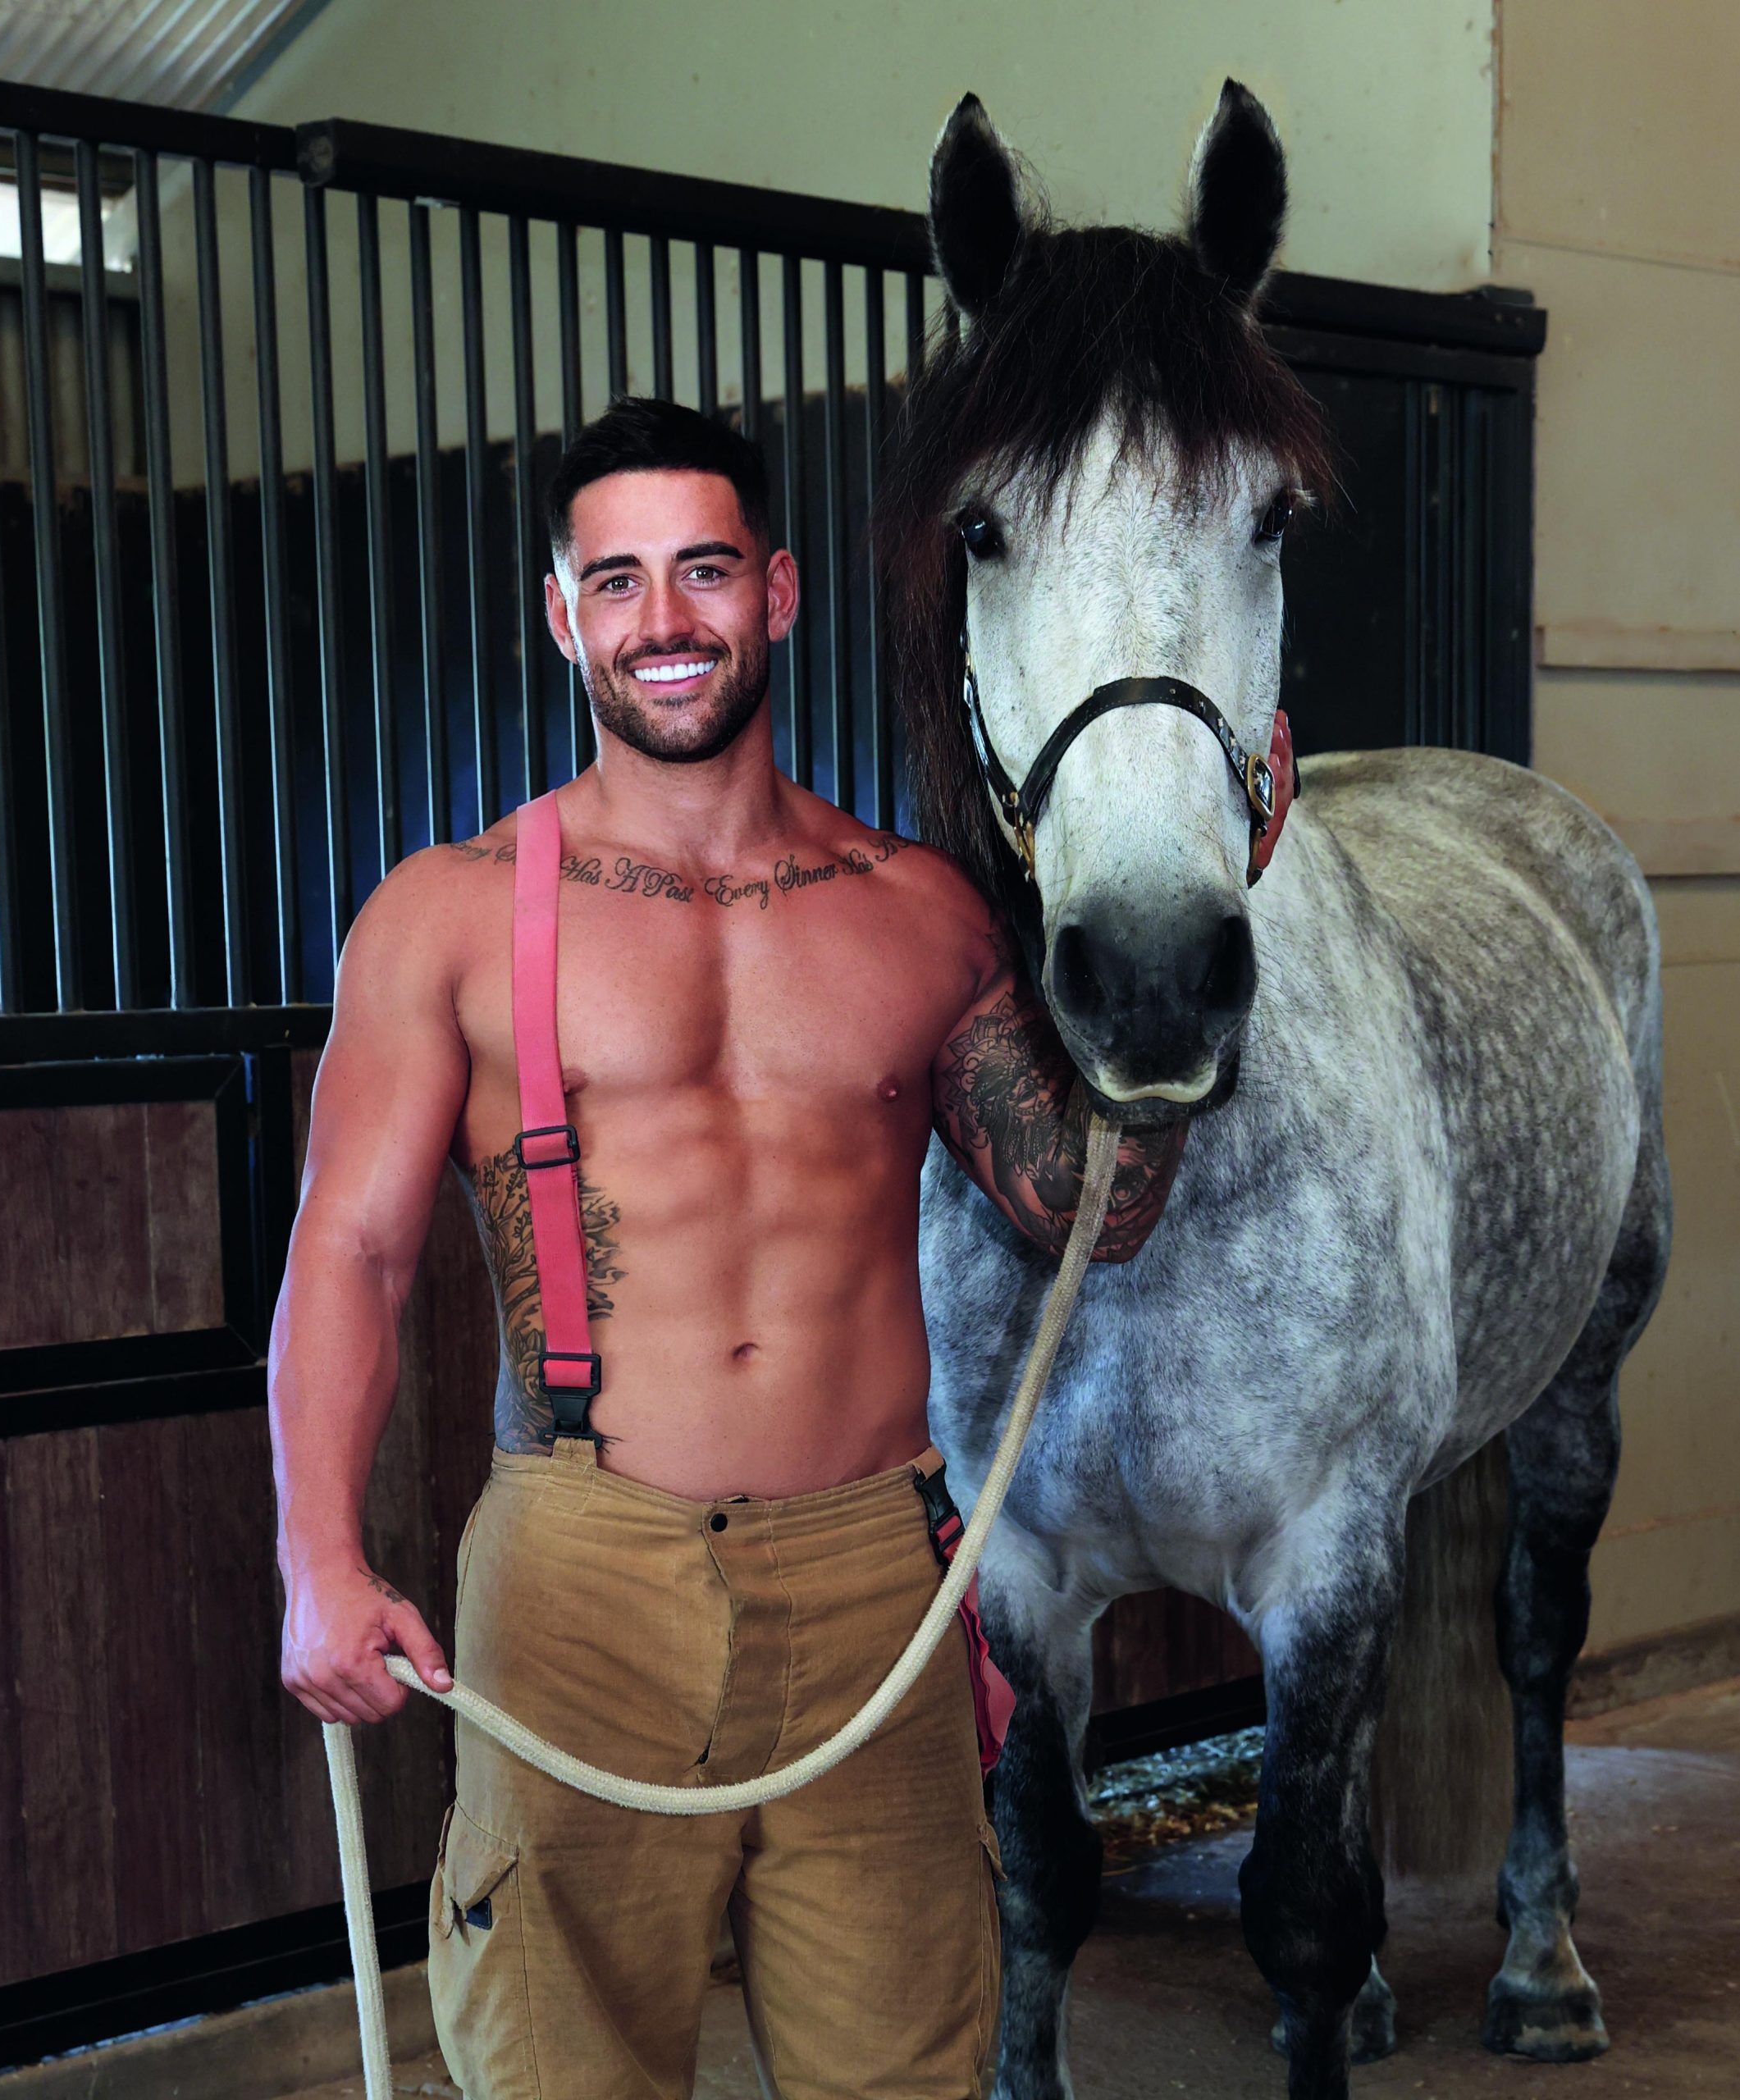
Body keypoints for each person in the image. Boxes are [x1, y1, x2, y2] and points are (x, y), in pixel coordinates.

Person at [269, 397, 1184, 2099]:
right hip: (580, 1578)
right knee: (561, 2070)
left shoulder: (918, 911)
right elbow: (353, 1253)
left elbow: (1091, 1215)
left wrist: (1174, 963)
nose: (663, 620)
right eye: (616, 582)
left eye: (703, 569)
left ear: (776, 591)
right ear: (565, 618)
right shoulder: (443, 914)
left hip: (874, 1578)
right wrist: (316, 1549)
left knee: (904, 2066)